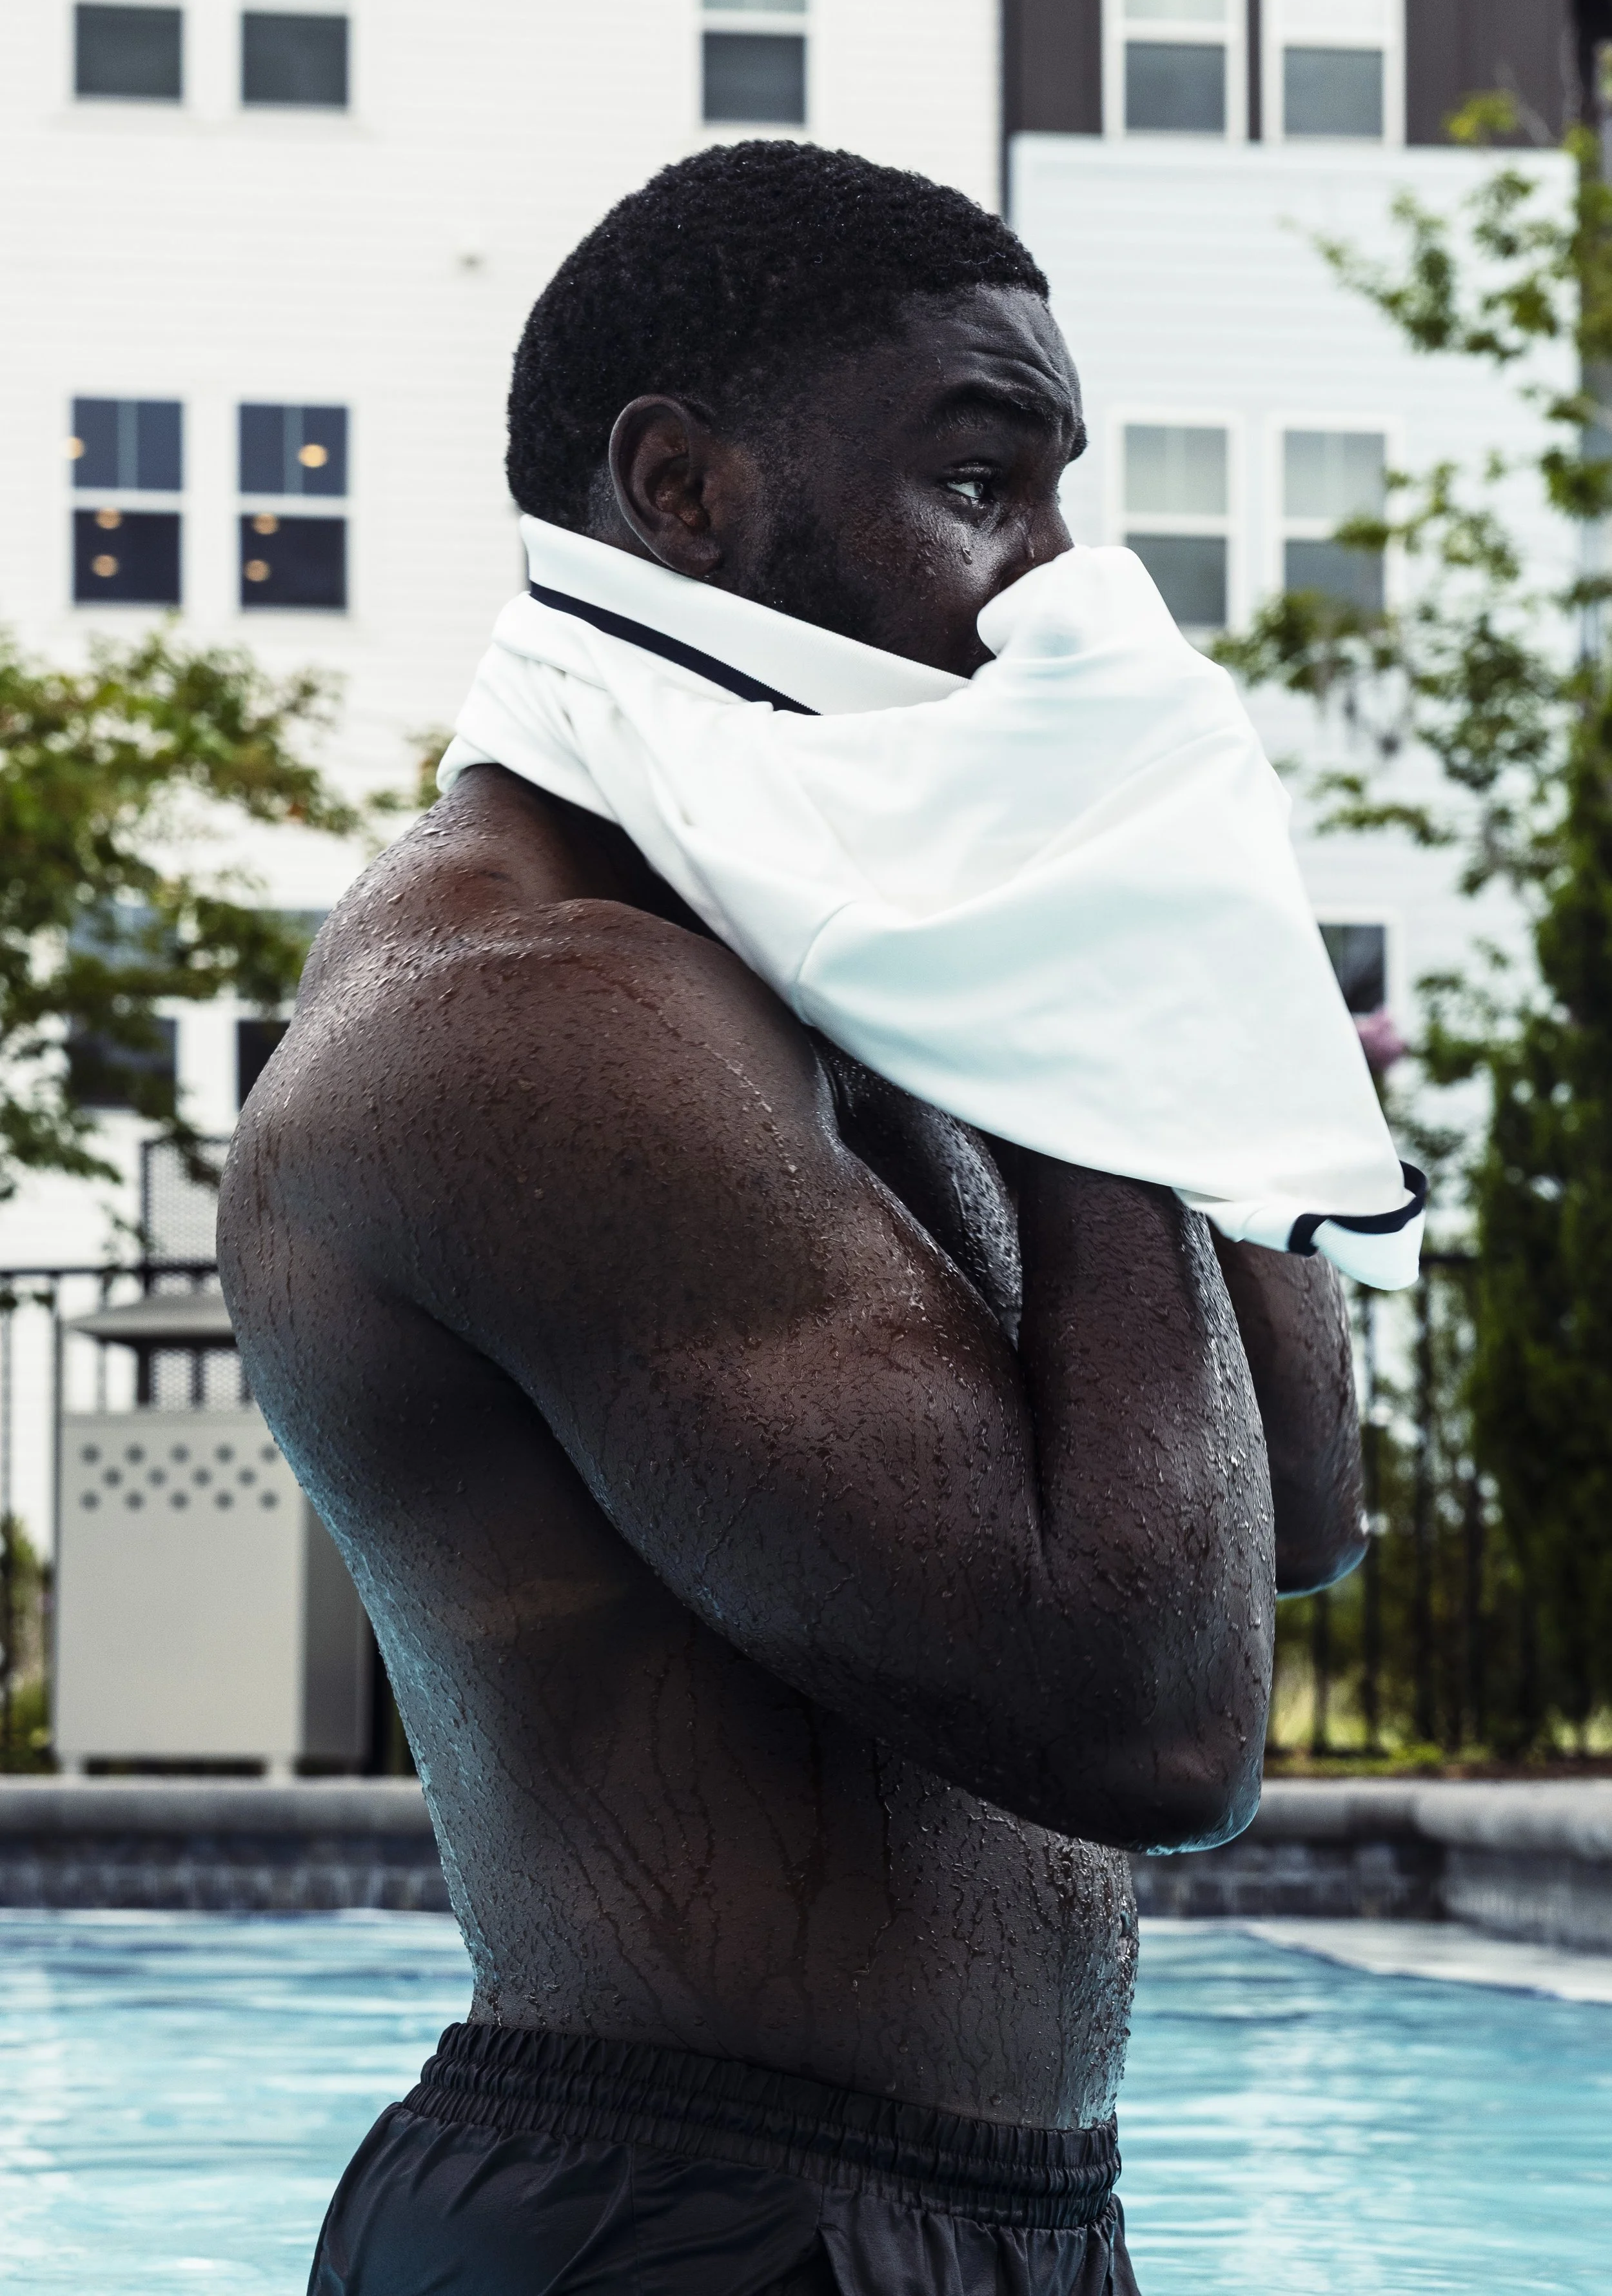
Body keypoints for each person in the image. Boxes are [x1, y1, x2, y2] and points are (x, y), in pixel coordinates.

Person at [219, 143, 1364, 2296]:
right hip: (669, 2217)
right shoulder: (529, 1018)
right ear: (682, 496)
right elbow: (1151, 1721)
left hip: (1005, 2209)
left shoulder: (860, 960)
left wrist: (1179, 952)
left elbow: (1287, 1502)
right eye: (976, 484)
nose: (1049, 588)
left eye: (1057, 499)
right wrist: (1084, 960)